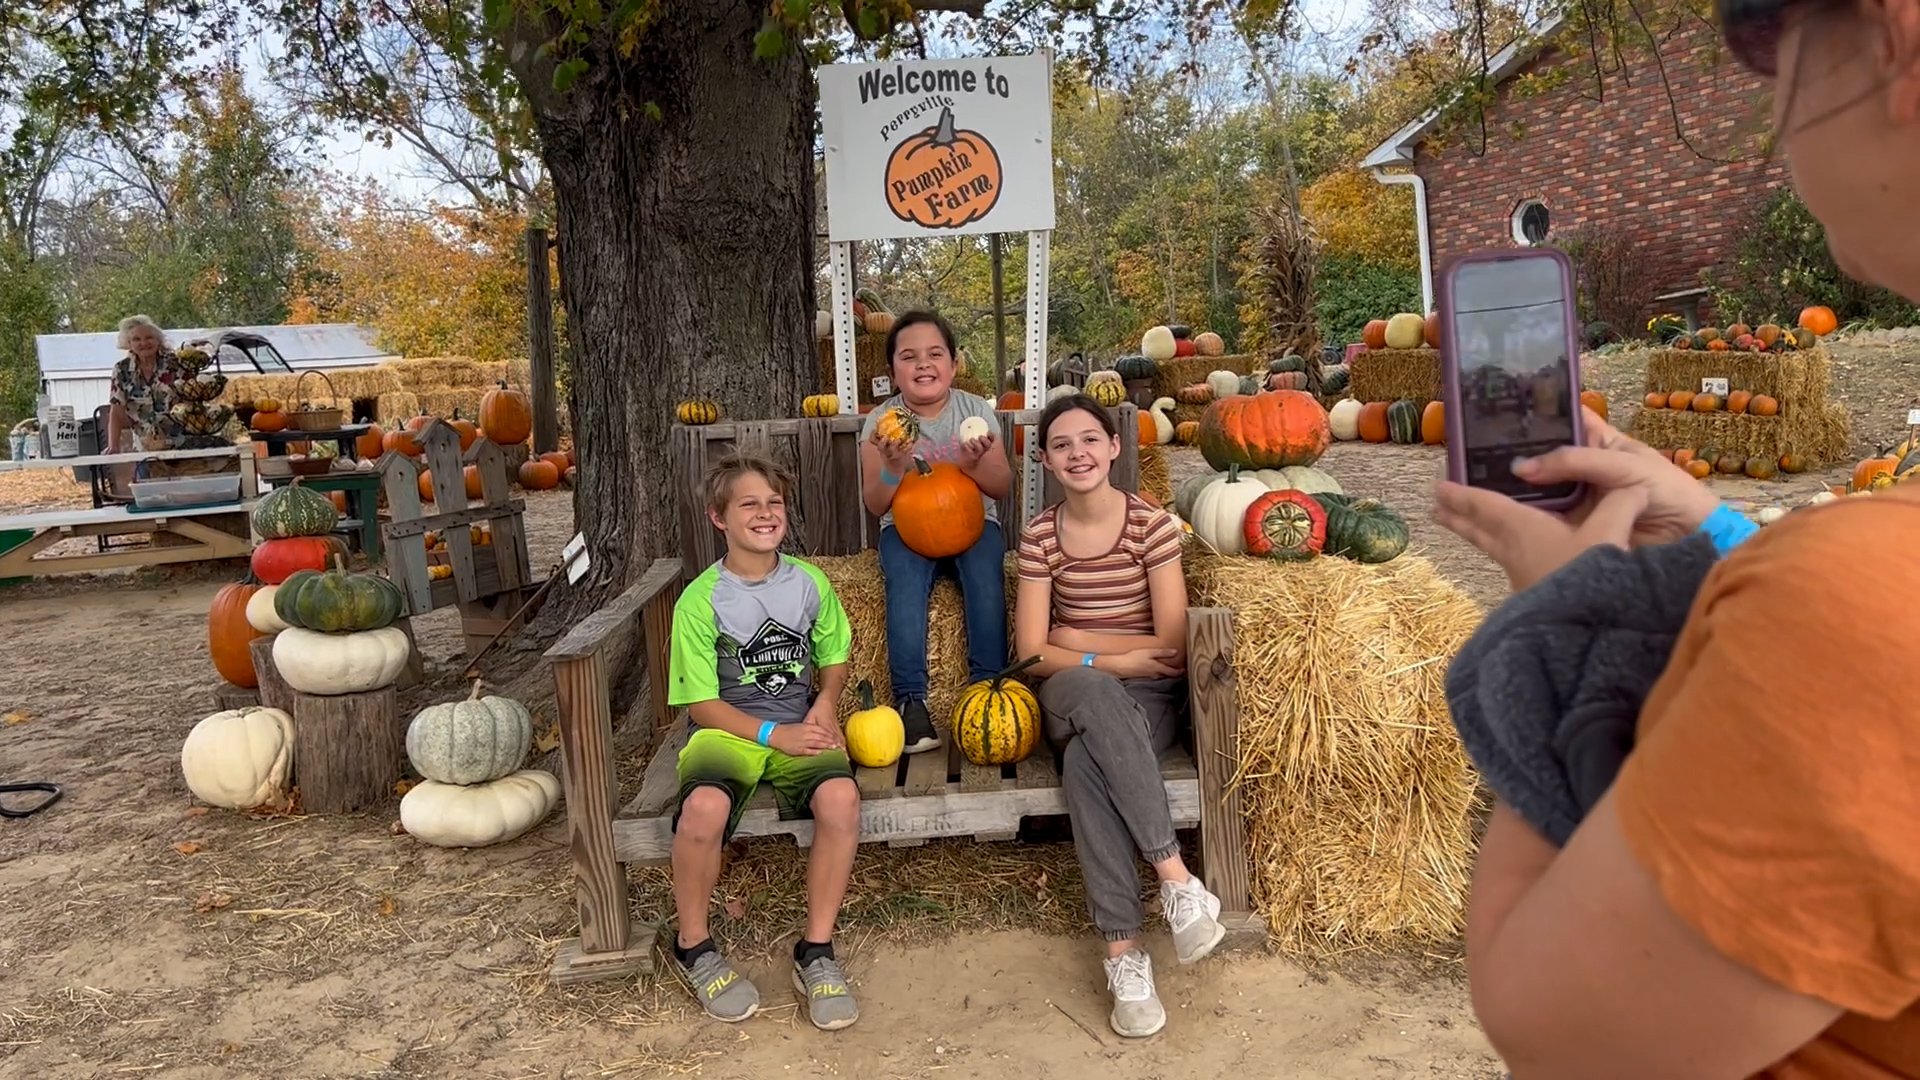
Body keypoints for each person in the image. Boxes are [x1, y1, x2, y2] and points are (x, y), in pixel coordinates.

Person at [1427, 0, 1920, 1060]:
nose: (1765, 101)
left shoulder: (1861, 612)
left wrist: (1579, 610)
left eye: (1760, 36)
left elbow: (1549, 1025)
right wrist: (1729, 538)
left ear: (1896, 38)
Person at [1012, 393, 1225, 1040]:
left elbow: (1169, 643)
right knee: (1093, 694)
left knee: (1083, 763)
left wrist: (1076, 639)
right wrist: (1117, 660)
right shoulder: (1041, 535)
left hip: (1147, 703)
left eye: (1088, 440)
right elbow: (1030, 654)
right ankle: (1176, 878)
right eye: (1062, 445)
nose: (1077, 453)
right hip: (1070, 694)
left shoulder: (1152, 527)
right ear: (1045, 460)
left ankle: (1123, 955)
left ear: (1113, 448)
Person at [665, 453, 863, 1032]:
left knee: (842, 802)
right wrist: (779, 733)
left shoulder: (809, 582)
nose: (765, 512)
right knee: (703, 809)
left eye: (774, 502)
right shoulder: (701, 600)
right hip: (728, 728)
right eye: (748, 504)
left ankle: (817, 952)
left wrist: (825, 705)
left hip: (801, 723)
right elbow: (700, 702)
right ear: (718, 518)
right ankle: (695, 946)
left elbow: (834, 656)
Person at [860, 310, 1013, 754]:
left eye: (934, 354)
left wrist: (974, 465)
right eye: (908, 357)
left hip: (971, 522)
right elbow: (876, 503)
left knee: (986, 578)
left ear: (953, 364)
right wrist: (891, 468)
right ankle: (911, 701)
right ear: (893, 371)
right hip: (906, 526)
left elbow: (1001, 487)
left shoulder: (975, 411)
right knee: (903, 584)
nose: (923, 364)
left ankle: (989, 688)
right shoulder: (882, 424)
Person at [106, 314, 187, 457]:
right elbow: (116, 412)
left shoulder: (176, 364)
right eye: (136, 339)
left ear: (158, 341)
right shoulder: (121, 370)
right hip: (144, 448)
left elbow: (191, 400)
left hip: (181, 444)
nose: (144, 343)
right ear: (129, 344)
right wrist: (113, 446)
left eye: (149, 337)